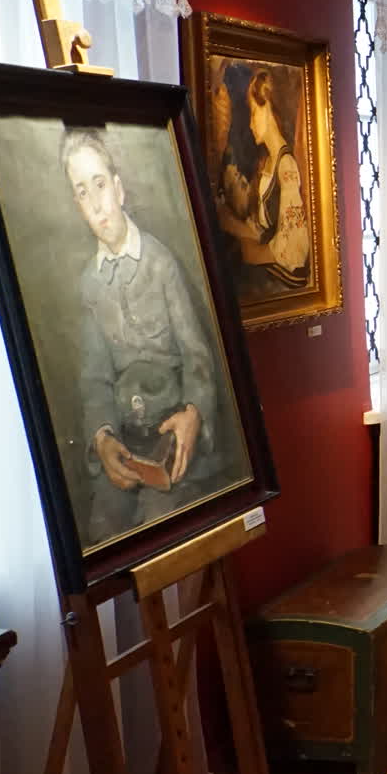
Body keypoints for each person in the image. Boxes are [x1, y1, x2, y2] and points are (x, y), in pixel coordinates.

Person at [62, 128, 222, 547]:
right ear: (77, 205)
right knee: (102, 532)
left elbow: (197, 355)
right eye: (82, 192)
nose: (96, 203)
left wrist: (193, 413)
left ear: (119, 189)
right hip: (126, 443)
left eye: (100, 184)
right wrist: (102, 438)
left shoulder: (160, 263)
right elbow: (95, 379)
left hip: (173, 436)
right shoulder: (90, 284)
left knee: (163, 531)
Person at [217, 62, 310, 293]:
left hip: (281, 281)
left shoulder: (286, 166)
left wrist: (250, 251)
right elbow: (260, 230)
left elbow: (293, 251)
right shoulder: (266, 163)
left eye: (254, 113)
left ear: (267, 106)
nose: (251, 123)